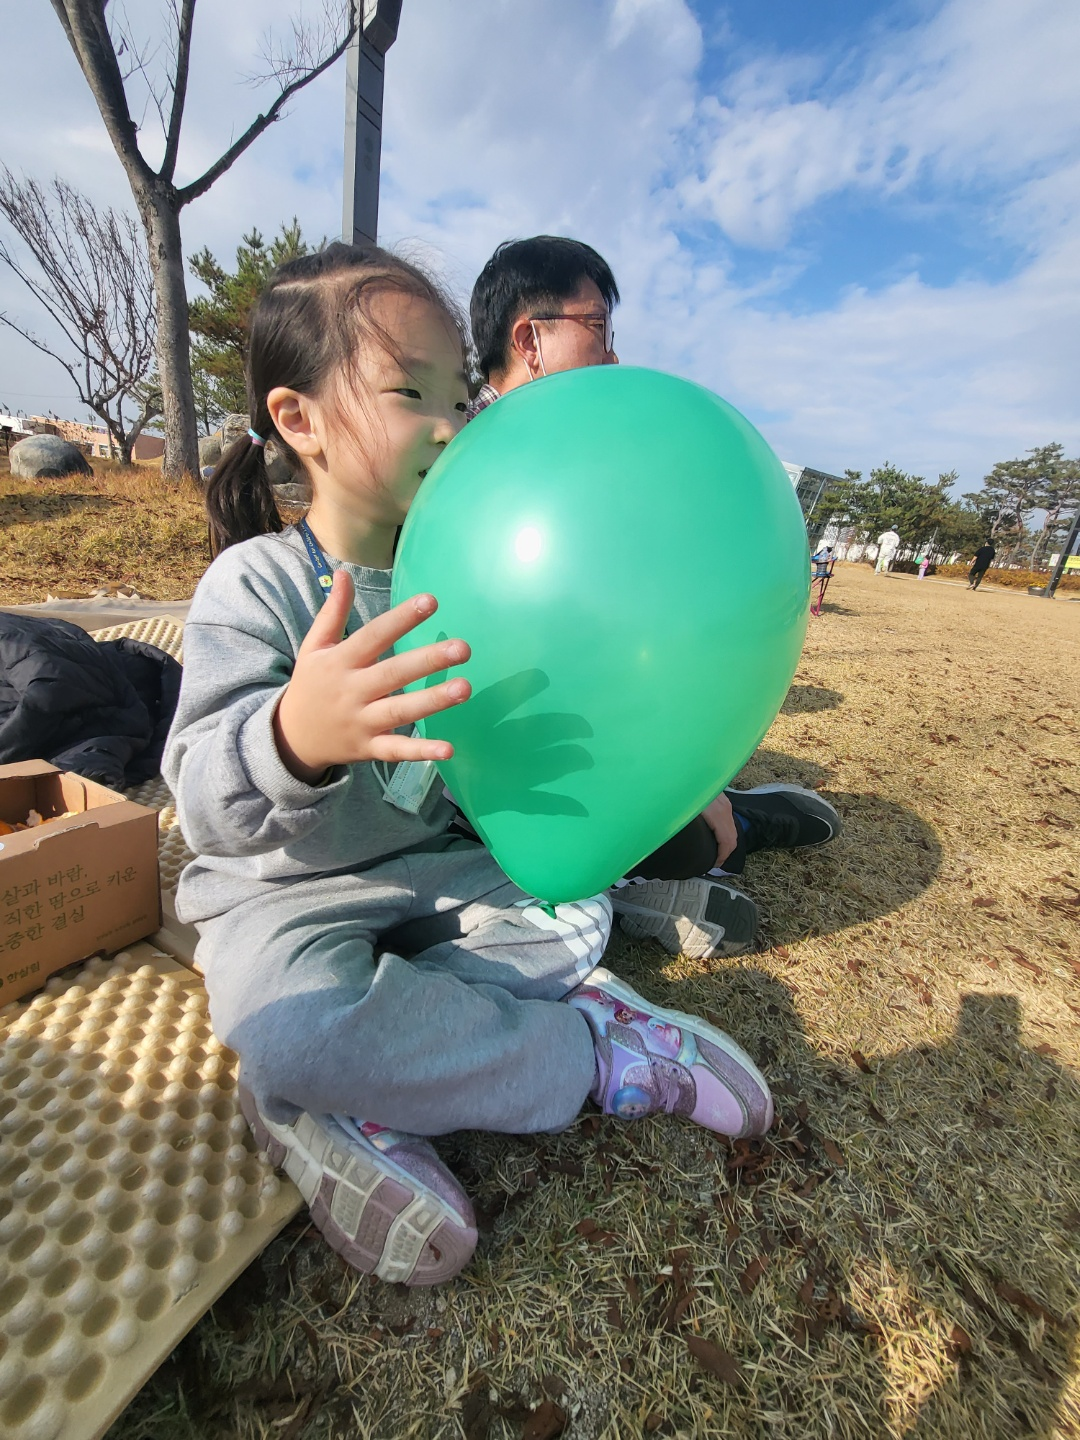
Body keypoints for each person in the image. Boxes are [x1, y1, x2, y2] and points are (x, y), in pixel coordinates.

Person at [163, 243, 775, 1291]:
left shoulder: (482, 559)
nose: (452, 424)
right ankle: (587, 1055)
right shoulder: (255, 582)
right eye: (413, 393)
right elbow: (202, 802)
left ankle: (365, 1095)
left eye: (457, 393)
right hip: (288, 900)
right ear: (298, 418)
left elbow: (483, 768)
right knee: (287, 1021)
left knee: (577, 912)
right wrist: (292, 736)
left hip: (438, 876)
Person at [468, 236, 841, 959]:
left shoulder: (591, 464)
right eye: (598, 328)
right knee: (691, 837)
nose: (612, 357)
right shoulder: (469, 471)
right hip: (506, 758)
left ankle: (717, 822)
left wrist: (688, 770)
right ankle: (711, 841)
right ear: (530, 339)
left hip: (587, 736)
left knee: (689, 823)